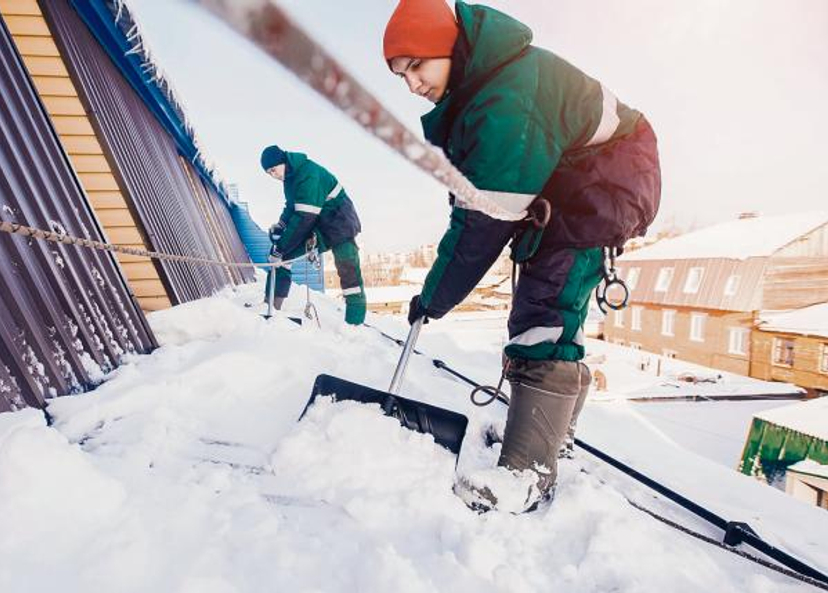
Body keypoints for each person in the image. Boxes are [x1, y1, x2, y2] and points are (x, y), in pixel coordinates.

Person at [383, 0, 661, 512]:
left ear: (447, 45)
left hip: (604, 183)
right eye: (402, 75)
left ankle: (528, 475)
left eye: (417, 65)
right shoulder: (488, 85)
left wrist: (434, 298)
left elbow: (482, 223)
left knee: (543, 313)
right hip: (584, 180)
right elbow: (476, 205)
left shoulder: (505, 98)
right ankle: (553, 443)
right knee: (554, 311)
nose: (412, 85)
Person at [260, 145, 367, 325]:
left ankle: (355, 324)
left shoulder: (308, 173)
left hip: (339, 221)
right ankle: (271, 308)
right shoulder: (289, 178)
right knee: (282, 258)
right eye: (269, 173)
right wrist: (281, 225)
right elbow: (291, 207)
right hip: (317, 222)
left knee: (347, 267)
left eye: (274, 169)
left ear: (283, 162)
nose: (274, 175)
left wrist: (281, 246)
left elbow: (304, 218)